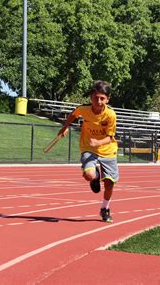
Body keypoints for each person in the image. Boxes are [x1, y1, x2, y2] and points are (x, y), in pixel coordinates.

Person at [58, 80, 119, 223]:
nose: (98, 101)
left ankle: (105, 208)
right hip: (88, 147)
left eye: (102, 98)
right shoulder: (84, 109)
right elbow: (73, 114)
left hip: (107, 150)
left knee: (109, 184)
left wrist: (98, 142)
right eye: (95, 97)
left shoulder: (111, 115)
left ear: (107, 99)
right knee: (89, 175)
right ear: (91, 97)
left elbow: (110, 138)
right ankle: (96, 176)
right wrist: (66, 126)